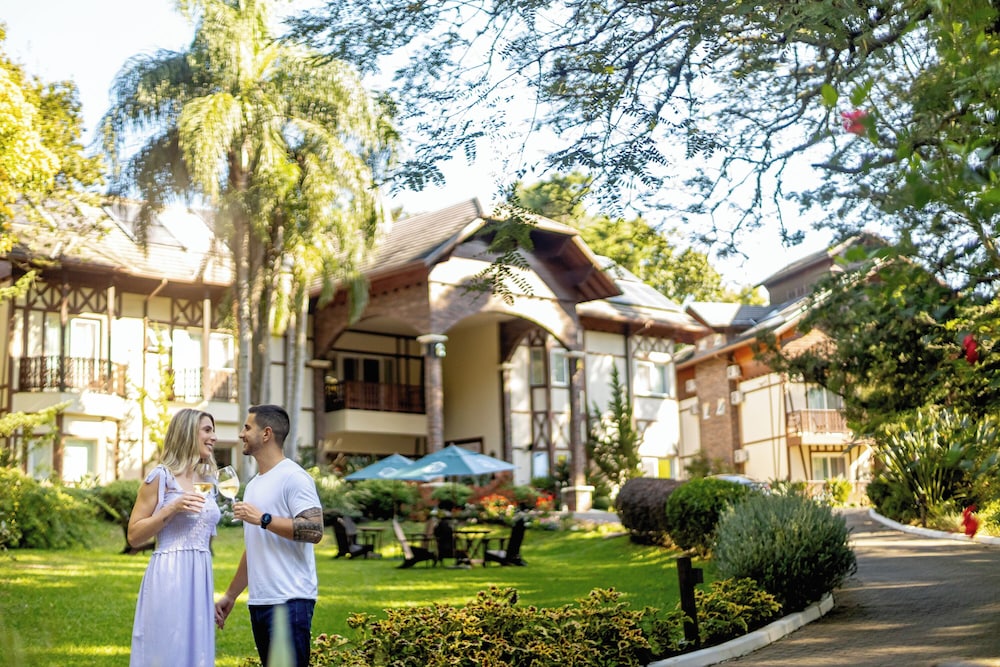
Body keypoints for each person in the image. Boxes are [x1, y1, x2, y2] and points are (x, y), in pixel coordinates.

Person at [215, 404, 324, 667]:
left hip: (290, 601)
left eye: (247, 427)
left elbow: (315, 529)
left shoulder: (294, 477)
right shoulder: (253, 485)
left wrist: (264, 519)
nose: (241, 433)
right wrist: (231, 595)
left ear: (266, 434)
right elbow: (255, 547)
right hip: (261, 601)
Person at [128, 408, 220, 667]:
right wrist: (171, 508)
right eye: (207, 430)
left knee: (197, 652)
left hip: (200, 574)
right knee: (168, 647)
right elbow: (134, 536)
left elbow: (203, 534)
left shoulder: (208, 480)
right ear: (188, 433)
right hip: (169, 572)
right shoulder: (161, 476)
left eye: (213, 430)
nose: (213, 437)